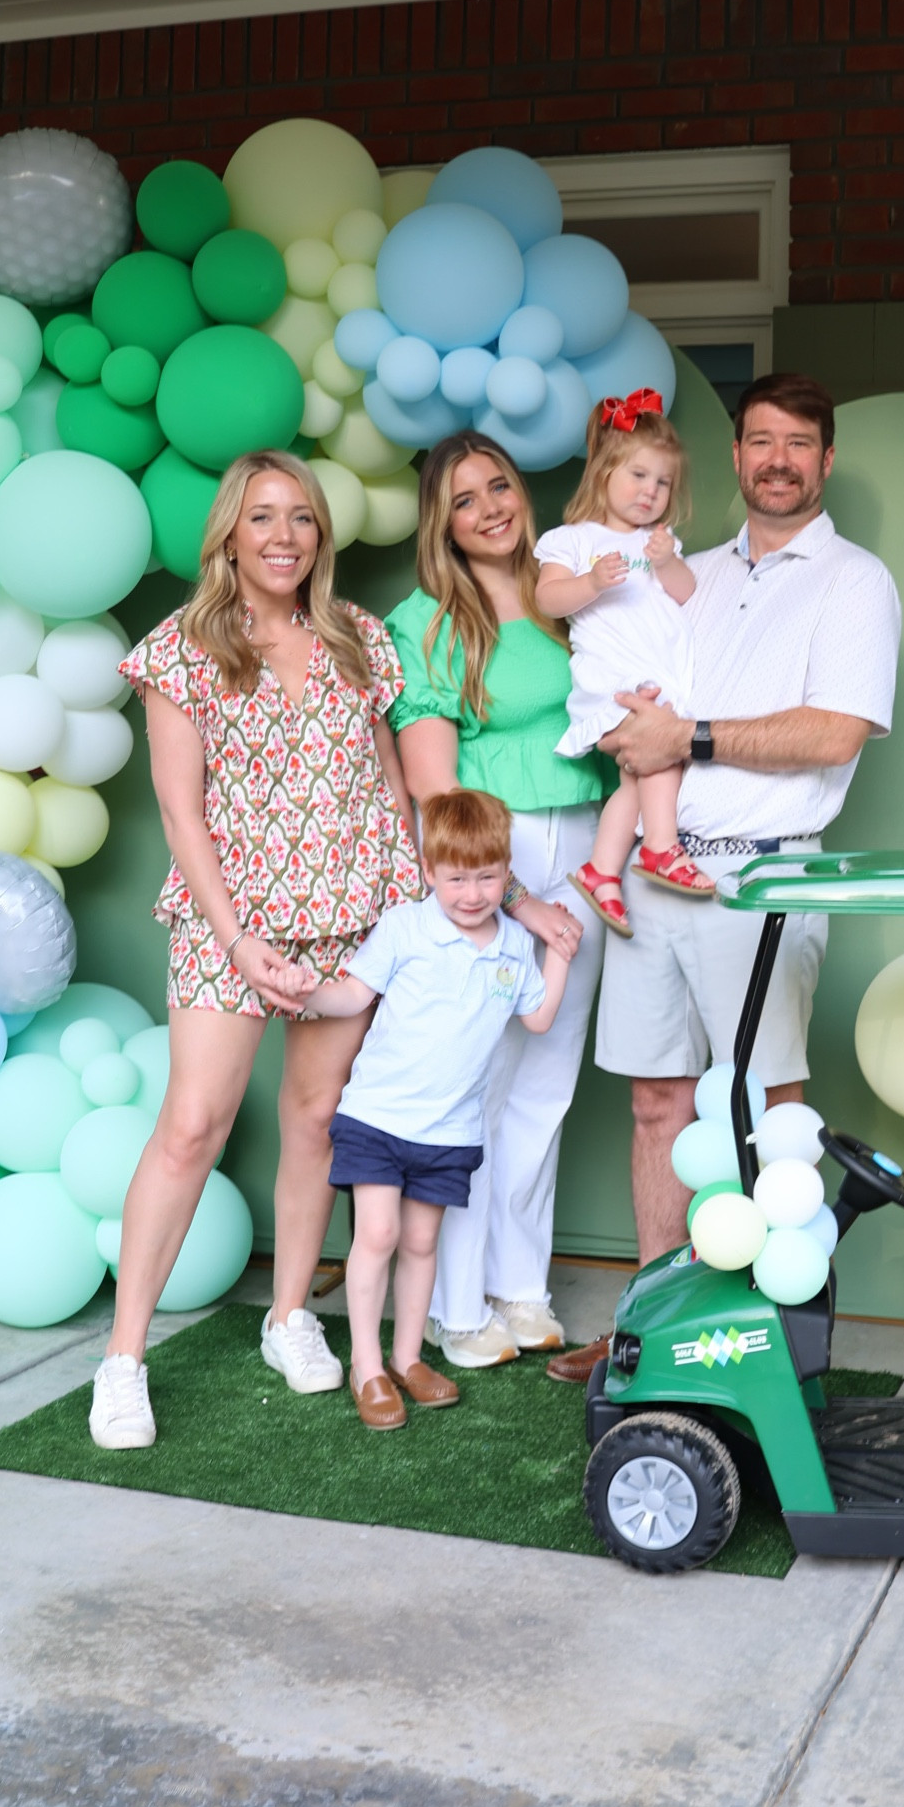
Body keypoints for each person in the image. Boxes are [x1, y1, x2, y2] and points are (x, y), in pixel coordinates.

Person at [547, 372, 902, 1382]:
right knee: (657, 1102)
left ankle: (776, 1331)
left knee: (768, 1101)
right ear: (737, 455)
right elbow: (590, 642)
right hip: (655, 875)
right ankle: (651, 1326)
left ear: (825, 461)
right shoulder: (679, 570)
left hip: (760, 879)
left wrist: (685, 735)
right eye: (760, 440)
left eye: (798, 441)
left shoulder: (854, 581)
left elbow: (835, 730)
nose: (778, 458)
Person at [90, 450, 422, 1449]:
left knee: (317, 1118)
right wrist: (238, 943)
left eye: (303, 519)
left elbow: (390, 788)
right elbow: (181, 814)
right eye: (264, 516)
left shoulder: (359, 639)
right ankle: (123, 1360)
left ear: (322, 536)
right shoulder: (181, 646)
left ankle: (288, 1316)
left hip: (350, 917)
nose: (284, 536)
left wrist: (405, 913)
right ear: (230, 531)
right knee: (193, 1123)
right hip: (228, 920)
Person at [387, 432, 604, 1368]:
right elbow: (436, 795)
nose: (489, 508)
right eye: (463, 500)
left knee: (547, 1089)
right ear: (441, 523)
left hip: (589, 845)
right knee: (476, 1088)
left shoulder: (566, 590)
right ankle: (454, 1303)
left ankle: (522, 1288)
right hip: (491, 863)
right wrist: (512, 897)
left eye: (499, 486)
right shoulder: (427, 618)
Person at [290, 789, 573, 1428]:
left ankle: (408, 1358)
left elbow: (539, 1018)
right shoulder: (407, 928)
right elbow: (353, 996)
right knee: (380, 1236)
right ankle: (367, 1366)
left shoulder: (509, 948)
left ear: (507, 874)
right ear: (428, 872)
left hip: (451, 1128)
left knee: (422, 1243)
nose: (472, 894)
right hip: (379, 1117)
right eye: (455, 880)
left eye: (487, 878)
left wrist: (557, 953)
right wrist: (308, 993)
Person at [534, 389, 713, 935]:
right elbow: (548, 600)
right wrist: (590, 582)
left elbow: (686, 594)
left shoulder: (659, 542)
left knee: (635, 778)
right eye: (638, 476)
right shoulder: (572, 540)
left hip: (657, 678)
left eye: (662, 483)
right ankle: (661, 847)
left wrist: (669, 562)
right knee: (658, 758)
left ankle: (600, 869)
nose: (650, 492)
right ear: (604, 473)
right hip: (612, 679)